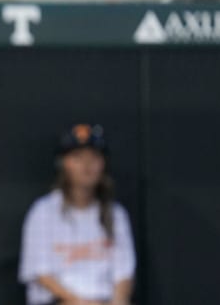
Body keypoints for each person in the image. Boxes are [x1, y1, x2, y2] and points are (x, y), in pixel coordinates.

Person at [19, 124, 136, 305]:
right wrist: (79, 302)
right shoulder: (43, 212)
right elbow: (40, 274)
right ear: (63, 163)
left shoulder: (116, 214)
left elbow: (124, 276)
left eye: (94, 158)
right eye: (78, 158)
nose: (87, 165)